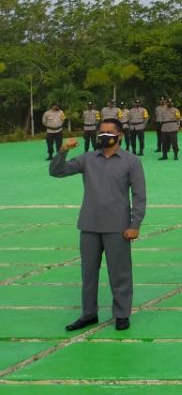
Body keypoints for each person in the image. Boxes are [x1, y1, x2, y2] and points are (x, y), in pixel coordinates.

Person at [50, 118, 146, 332]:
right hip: (89, 225)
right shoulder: (87, 159)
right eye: (101, 132)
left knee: (120, 273)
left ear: (119, 135)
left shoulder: (131, 161)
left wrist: (135, 224)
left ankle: (121, 314)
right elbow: (57, 171)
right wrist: (62, 150)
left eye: (108, 133)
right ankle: (89, 313)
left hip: (118, 227)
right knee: (88, 273)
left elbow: (139, 196)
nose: (103, 136)